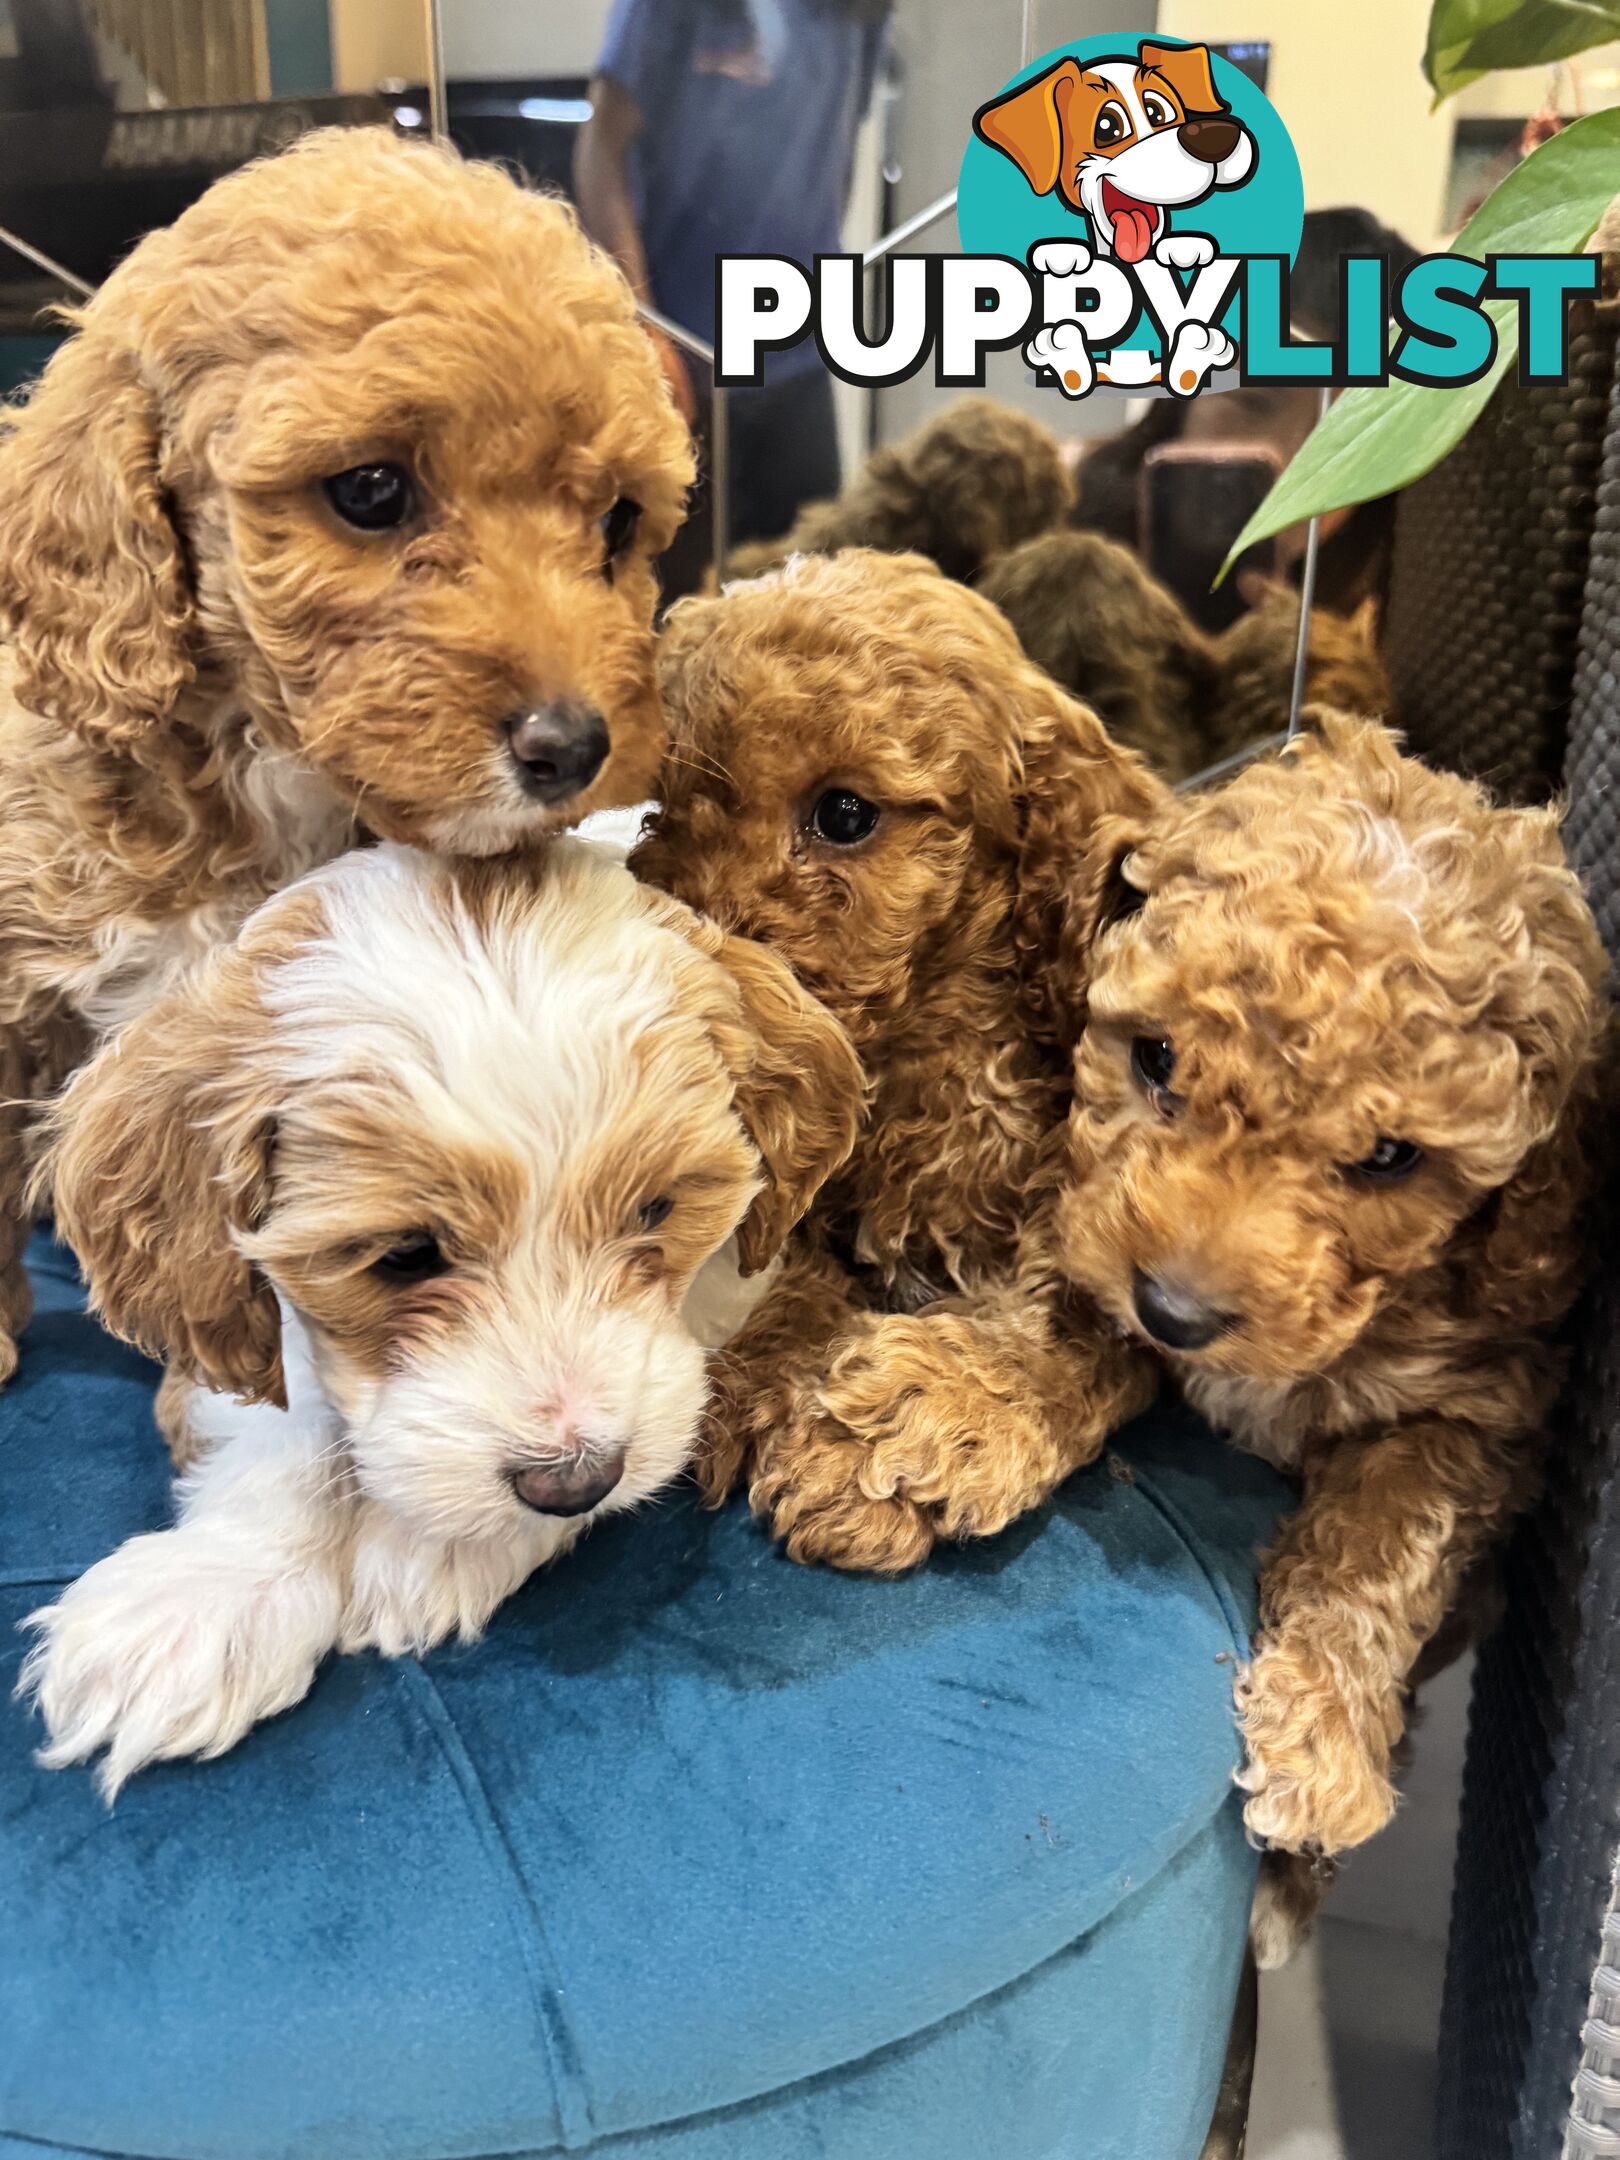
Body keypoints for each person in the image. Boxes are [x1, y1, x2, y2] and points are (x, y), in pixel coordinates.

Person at [575, 0, 889, 594]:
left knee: (817, 593)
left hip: (800, 354)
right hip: (686, 359)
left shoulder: (861, 12)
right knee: (667, 603)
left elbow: (837, 152)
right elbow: (601, 150)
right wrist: (644, 331)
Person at [1074, 207, 1421, 615]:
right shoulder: (1057, 528)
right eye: (1253, 400)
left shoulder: (1389, 622)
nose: (1288, 460)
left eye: (1345, 435)